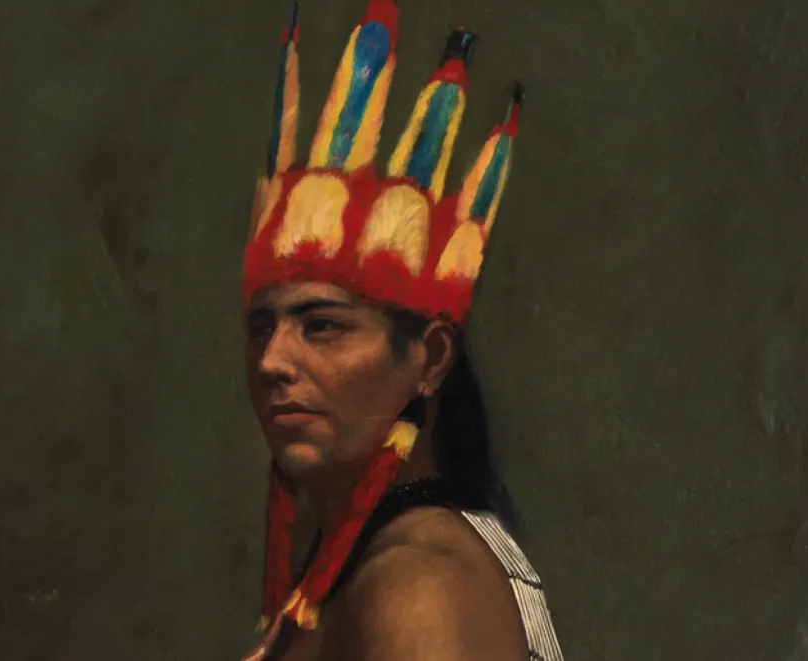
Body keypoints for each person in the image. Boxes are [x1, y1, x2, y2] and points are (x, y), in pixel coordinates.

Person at [239, 2, 565, 659]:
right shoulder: (367, 566)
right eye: (261, 327)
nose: (272, 360)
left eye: (322, 326)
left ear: (432, 356)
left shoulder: (418, 589)